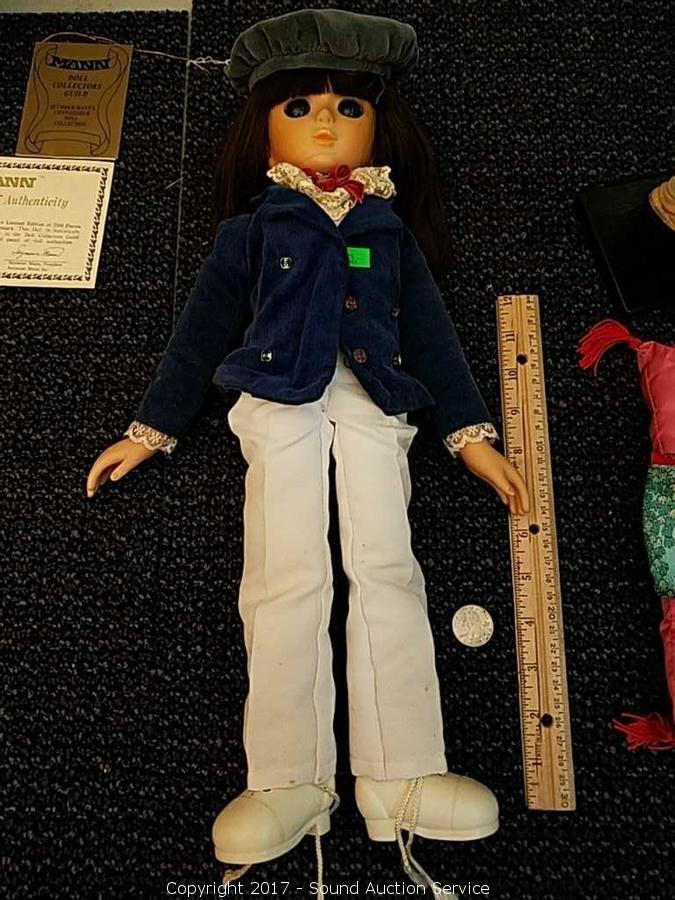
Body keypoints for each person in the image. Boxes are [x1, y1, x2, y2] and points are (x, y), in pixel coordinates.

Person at [85, 8, 529, 892]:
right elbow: (199, 335)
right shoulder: (251, 233)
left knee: (387, 569)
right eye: (300, 108)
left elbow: (432, 337)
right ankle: (289, 779)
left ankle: (402, 773)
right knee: (284, 577)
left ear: (378, 127)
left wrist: (468, 432)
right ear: (264, 130)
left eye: (345, 107)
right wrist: (151, 428)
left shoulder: (387, 231)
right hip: (276, 404)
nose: (325, 123)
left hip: (374, 405)